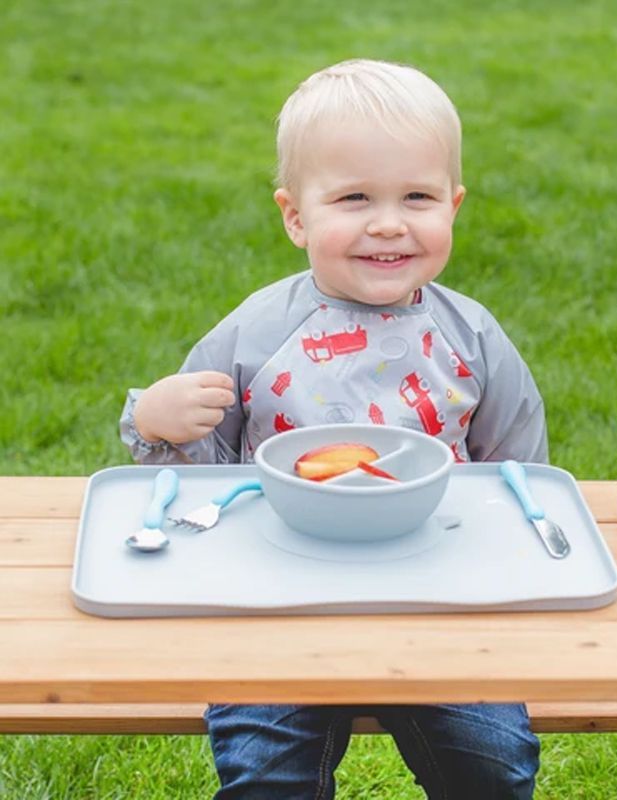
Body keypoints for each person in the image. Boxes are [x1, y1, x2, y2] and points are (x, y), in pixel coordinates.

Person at [121, 58, 547, 800]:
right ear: (296, 216)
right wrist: (154, 418)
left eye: (417, 196)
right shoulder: (257, 332)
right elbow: (195, 475)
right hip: (275, 593)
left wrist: (511, 554)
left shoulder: (471, 335)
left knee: (495, 762)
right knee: (265, 772)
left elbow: (519, 467)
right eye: (354, 198)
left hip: (436, 590)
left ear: (454, 204)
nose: (389, 222)